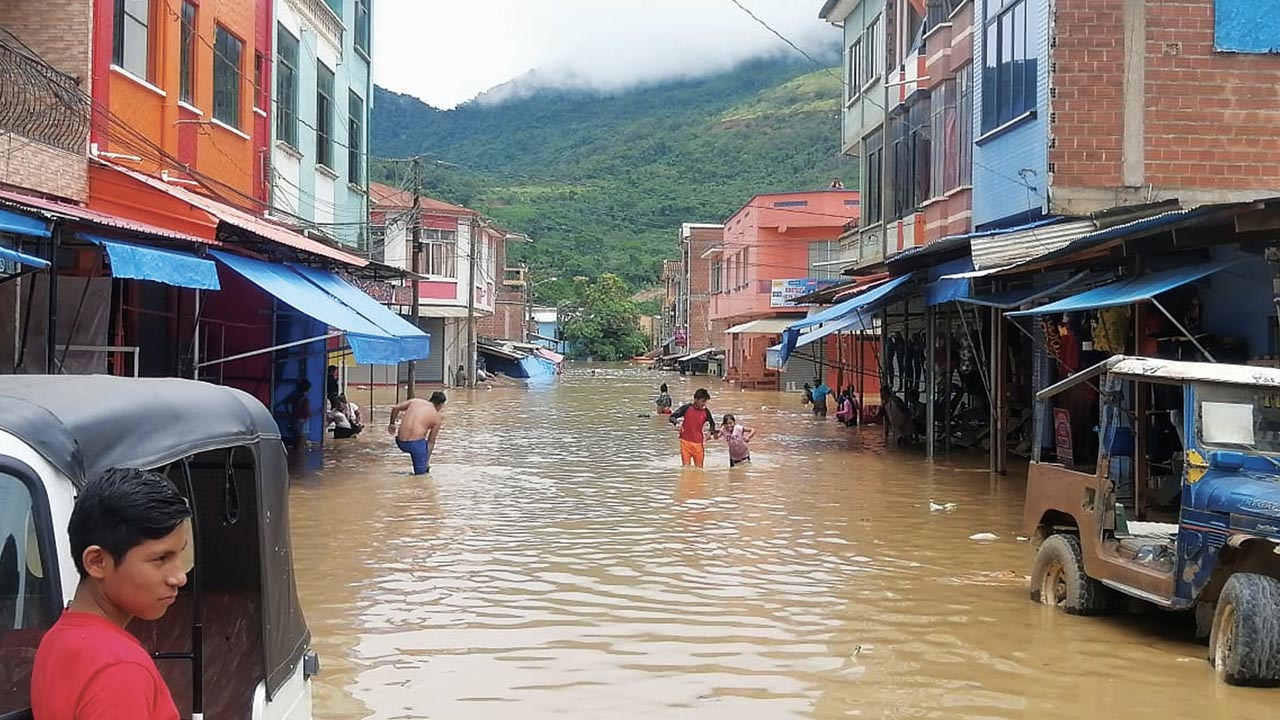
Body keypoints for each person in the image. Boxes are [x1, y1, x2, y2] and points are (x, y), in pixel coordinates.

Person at [31, 467, 192, 719]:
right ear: (97, 561)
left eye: (179, 554)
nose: (179, 577)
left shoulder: (58, 639)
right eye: (160, 558)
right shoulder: (120, 668)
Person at [388, 391, 446, 475]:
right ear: (440, 405)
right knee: (421, 475)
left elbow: (396, 408)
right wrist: (426, 460)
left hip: (400, 442)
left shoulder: (415, 401)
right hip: (416, 445)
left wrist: (392, 424)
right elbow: (431, 441)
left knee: (420, 447)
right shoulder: (437, 417)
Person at [669, 388, 716, 468]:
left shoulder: (706, 412)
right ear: (695, 399)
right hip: (685, 443)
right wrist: (677, 423)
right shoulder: (686, 408)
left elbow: (712, 425)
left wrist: (710, 432)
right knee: (686, 468)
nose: (704, 404)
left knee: (699, 469)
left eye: (705, 402)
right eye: (702, 401)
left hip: (698, 444)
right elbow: (672, 417)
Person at [291, 379, 314, 451]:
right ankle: (299, 457)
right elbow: (307, 411)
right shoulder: (304, 399)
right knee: (302, 438)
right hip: (303, 420)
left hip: (295, 419)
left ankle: (296, 457)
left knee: (296, 439)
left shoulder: (295, 397)